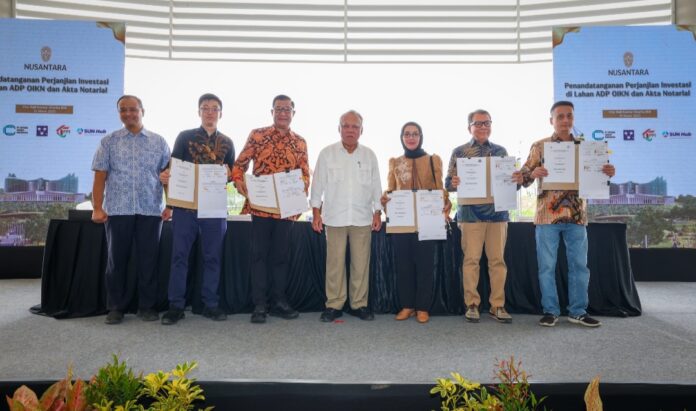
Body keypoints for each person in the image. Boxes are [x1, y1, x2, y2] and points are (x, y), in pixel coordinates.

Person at [513, 100, 615, 327]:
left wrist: (607, 173)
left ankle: (578, 311)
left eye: (569, 116)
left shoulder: (587, 147)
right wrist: (533, 173)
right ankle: (550, 311)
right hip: (546, 217)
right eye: (560, 116)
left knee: (579, 266)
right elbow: (522, 178)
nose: (565, 120)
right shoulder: (540, 146)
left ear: (573, 119)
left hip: (577, 216)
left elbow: (597, 179)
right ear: (551, 120)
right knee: (546, 267)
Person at [91, 95, 171, 325]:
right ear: (119, 113)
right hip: (118, 209)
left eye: (133, 109)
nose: (128, 114)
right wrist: (97, 207)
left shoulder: (159, 142)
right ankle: (116, 307)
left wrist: (170, 204)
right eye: (123, 110)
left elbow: (167, 177)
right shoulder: (108, 142)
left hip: (150, 209)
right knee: (116, 261)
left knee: (149, 261)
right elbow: (100, 177)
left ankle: (147, 306)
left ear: (142, 111)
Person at [232, 95, 310, 324]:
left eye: (287, 109)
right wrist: (239, 182)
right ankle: (259, 304)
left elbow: (305, 174)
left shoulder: (300, 142)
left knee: (281, 257)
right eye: (279, 109)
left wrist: (301, 188)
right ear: (272, 112)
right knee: (259, 256)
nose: (283, 113)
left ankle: (279, 302)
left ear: (293, 113)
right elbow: (239, 165)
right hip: (260, 207)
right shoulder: (258, 135)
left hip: (286, 209)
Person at [159, 93, 235, 325]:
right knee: (179, 257)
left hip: (214, 209)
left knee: (213, 258)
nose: (210, 112)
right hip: (185, 208)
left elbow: (231, 174)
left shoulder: (228, 142)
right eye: (205, 108)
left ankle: (210, 304)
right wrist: (166, 178)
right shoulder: (185, 137)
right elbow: (174, 167)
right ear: (199, 112)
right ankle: (176, 306)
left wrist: (229, 174)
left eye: (214, 108)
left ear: (221, 113)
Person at [310, 110, 382, 322]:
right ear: (339, 128)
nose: (350, 130)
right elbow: (317, 186)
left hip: (362, 218)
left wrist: (378, 212)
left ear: (362, 130)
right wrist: (316, 212)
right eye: (346, 126)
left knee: (361, 264)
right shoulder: (327, 153)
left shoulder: (369, 155)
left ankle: (359, 304)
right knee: (334, 264)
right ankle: (334, 304)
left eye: (355, 126)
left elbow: (376, 186)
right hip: (334, 218)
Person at [445, 109, 514, 324]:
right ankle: (472, 304)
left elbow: (511, 184)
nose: (483, 127)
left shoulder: (501, 151)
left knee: (497, 261)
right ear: (469, 127)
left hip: (498, 214)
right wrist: (453, 182)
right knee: (471, 260)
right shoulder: (459, 152)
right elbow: (447, 184)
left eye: (487, 123)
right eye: (478, 123)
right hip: (469, 215)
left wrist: (516, 179)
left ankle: (497, 305)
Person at [381, 122, 451, 323]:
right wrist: (385, 200)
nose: (411, 138)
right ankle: (407, 306)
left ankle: (422, 307)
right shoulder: (395, 162)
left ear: (421, 137)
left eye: (415, 134)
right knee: (403, 266)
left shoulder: (432, 160)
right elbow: (390, 190)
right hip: (402, 223)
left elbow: (440, 190)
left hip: (427, 222)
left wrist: (446, 202)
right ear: (402, 137)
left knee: (425, 265)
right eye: (407, 134)